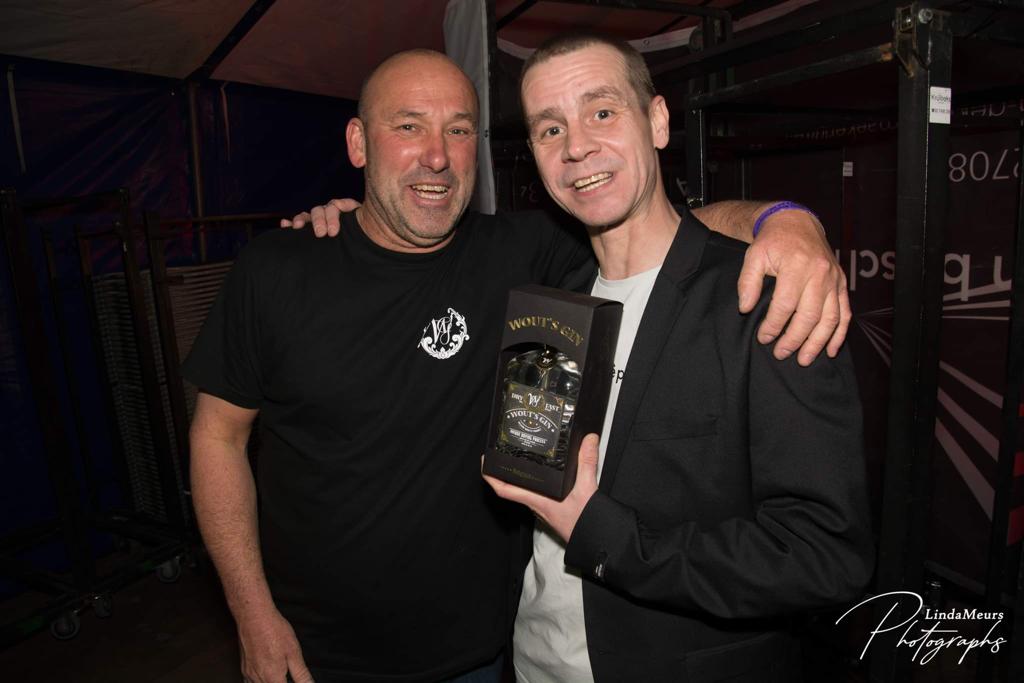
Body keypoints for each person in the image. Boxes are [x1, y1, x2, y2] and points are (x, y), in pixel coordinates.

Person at [186, 49, 851, 683]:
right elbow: (217, 437)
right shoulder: (278, 270)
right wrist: (252, 616)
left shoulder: (524, 252)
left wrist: (784, 219)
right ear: (359, 144)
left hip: (485, 648)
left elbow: (660, 228)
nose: (437, 155)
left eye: (458, 129)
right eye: (408, 127)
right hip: (317, 652)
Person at [480, 34, 874, 683]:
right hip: (532, 661)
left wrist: (606, 536)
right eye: (550, 128)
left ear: (658, 121)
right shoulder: (555, 299)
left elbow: (823, 555)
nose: (576, 146)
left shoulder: (761, 299)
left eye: (601, 111)